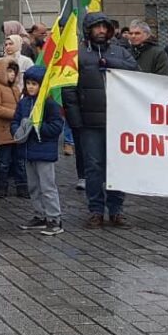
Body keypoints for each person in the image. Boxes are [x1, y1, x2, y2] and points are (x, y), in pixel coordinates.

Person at [62, 12, 139, 228]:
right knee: (93, 167)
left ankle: (116, 210)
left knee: (117, 167)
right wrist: (75, 119)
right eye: (97, 27)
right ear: (89, 30)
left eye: (105, 27)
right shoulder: (78, 55)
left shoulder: (120, 52)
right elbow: (69, 89)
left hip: (118, 121)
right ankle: (95, 210)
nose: (102, 31)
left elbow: (136, 72)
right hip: (89, 122)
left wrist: (111, 62)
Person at [11, 66, 65, 236]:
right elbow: (16, 120)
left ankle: (54, 218)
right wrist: (17, 130)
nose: (31, 87)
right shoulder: (24, 103)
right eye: (28, 83)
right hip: (28, 150)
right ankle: (39, 215)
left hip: (44, 151)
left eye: (34, 84)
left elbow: (57, 126)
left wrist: (38, 127)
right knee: (33, 186)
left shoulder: (50, 104)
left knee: (47, 186)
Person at [0, 59, 26, 198]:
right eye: (9, 71)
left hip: (16, 131)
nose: (12, 75)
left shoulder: (15, 88)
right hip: (3, 130)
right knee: (4, 162)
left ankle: (22, 187)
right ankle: (2, 188)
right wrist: (15, 114)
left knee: (19, 162)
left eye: (14, 72)